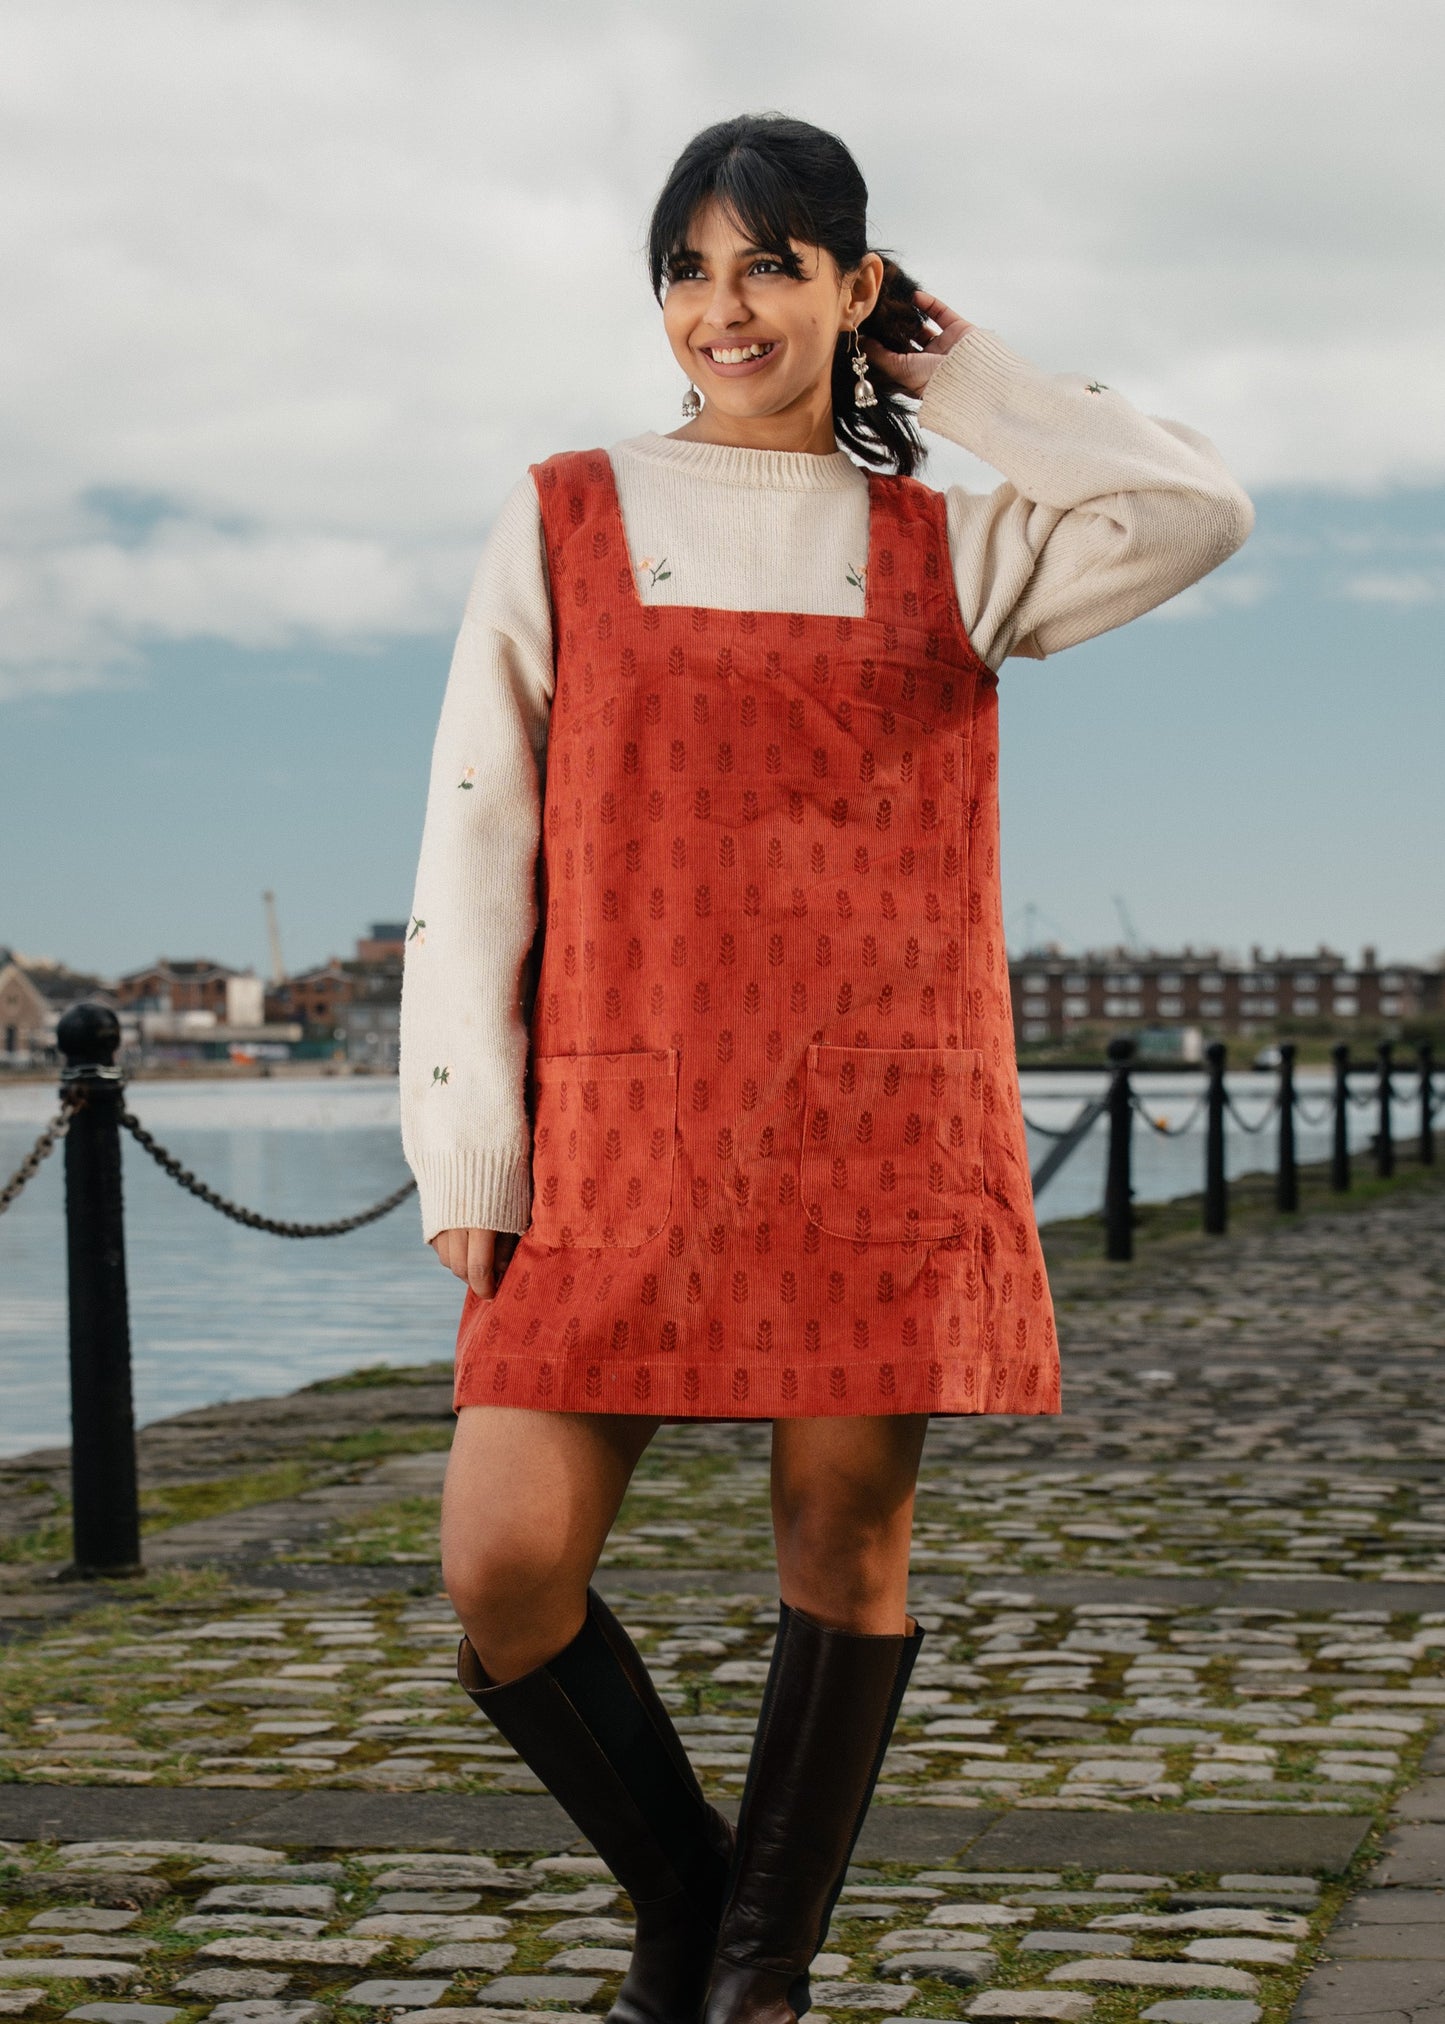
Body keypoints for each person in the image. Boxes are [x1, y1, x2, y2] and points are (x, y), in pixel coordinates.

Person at [398, 111, 1253, 2024]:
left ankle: (743, 1990)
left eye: (771, 264)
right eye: (688, 268)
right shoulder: (570, 508)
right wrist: (467, 1139)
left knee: (841, 1547)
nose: (724, 307)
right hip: (619, 1116)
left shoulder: (958, 545)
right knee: (501, 1566)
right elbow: (477, 828)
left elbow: (1193, 508)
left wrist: (958, 369)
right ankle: (702, 1911)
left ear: (854, 289)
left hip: (875, 1121)